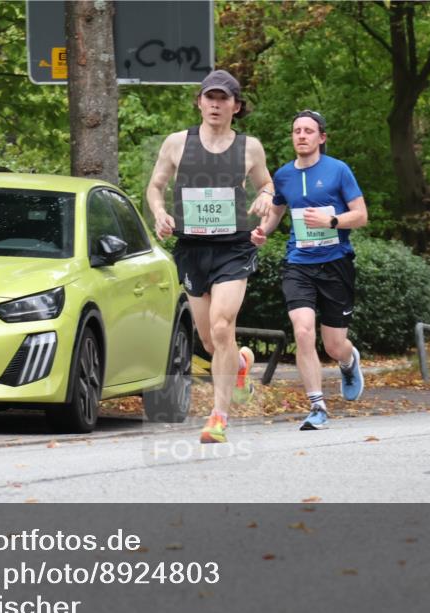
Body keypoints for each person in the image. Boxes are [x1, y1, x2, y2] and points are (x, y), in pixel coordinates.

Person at [146, 70, 275, 444]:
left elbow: (266, 183)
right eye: (210, 97)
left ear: (236, 106)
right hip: (192, 247)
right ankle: (240, 365)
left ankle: (218, 416)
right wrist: (159, 214)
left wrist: (265, 197)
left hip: (234, 247)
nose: (216, 104)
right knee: (207, 339)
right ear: (200, 102)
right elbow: (155, 187)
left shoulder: (249, 147)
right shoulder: (176, 144)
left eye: (224, 99)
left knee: (222, 327)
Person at [251, 110, 368, 431]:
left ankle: (347, 361)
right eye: (296, 131)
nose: (301, 136)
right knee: (302, 331)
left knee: (333, 345)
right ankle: (317, 406)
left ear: (321, 138)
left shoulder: (338, 171)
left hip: (336, 264)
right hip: (299, 264)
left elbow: (360, 215)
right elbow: (274, 215)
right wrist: (262, 231)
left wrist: (332, 221)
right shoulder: (284, 175)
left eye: (308, 131)